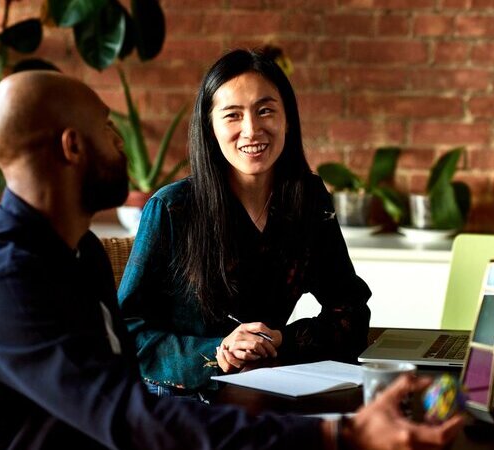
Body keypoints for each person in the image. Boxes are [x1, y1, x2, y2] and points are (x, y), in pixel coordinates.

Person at [0, 70, 463, 450]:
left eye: (267, 111)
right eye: (107, 128)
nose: (120, 143)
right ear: (73, 147)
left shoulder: (77, 252)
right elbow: (127, 415)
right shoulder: (5, 284)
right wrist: (338, 435)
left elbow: (125, 403)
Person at [118, 49, 371, 397]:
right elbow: (125, 333)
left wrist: (281, 340)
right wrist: (218, 351)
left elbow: (351, 312)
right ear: (210, 127)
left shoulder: (307, 199)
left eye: (265, 110)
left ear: (288, 119)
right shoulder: (172, 208)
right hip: (182, 404)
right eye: (232, 115)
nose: (252, 130)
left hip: (272, 393)